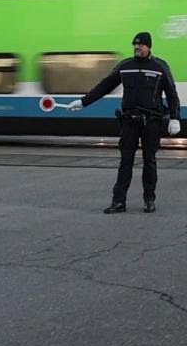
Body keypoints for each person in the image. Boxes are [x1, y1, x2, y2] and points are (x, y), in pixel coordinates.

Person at [67, 31, 180, 213]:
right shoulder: (125, 66)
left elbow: (172, 94)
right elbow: (105, 86)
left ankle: (149, 199)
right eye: (135, 45)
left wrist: (175, 118)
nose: (137, 47)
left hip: (151, 122)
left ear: (149, 46)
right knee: (125, 161)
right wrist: (83, 102)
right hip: (129, 122)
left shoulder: (159, 66)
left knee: (149, 161)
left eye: (140, 45)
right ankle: (119, 201)